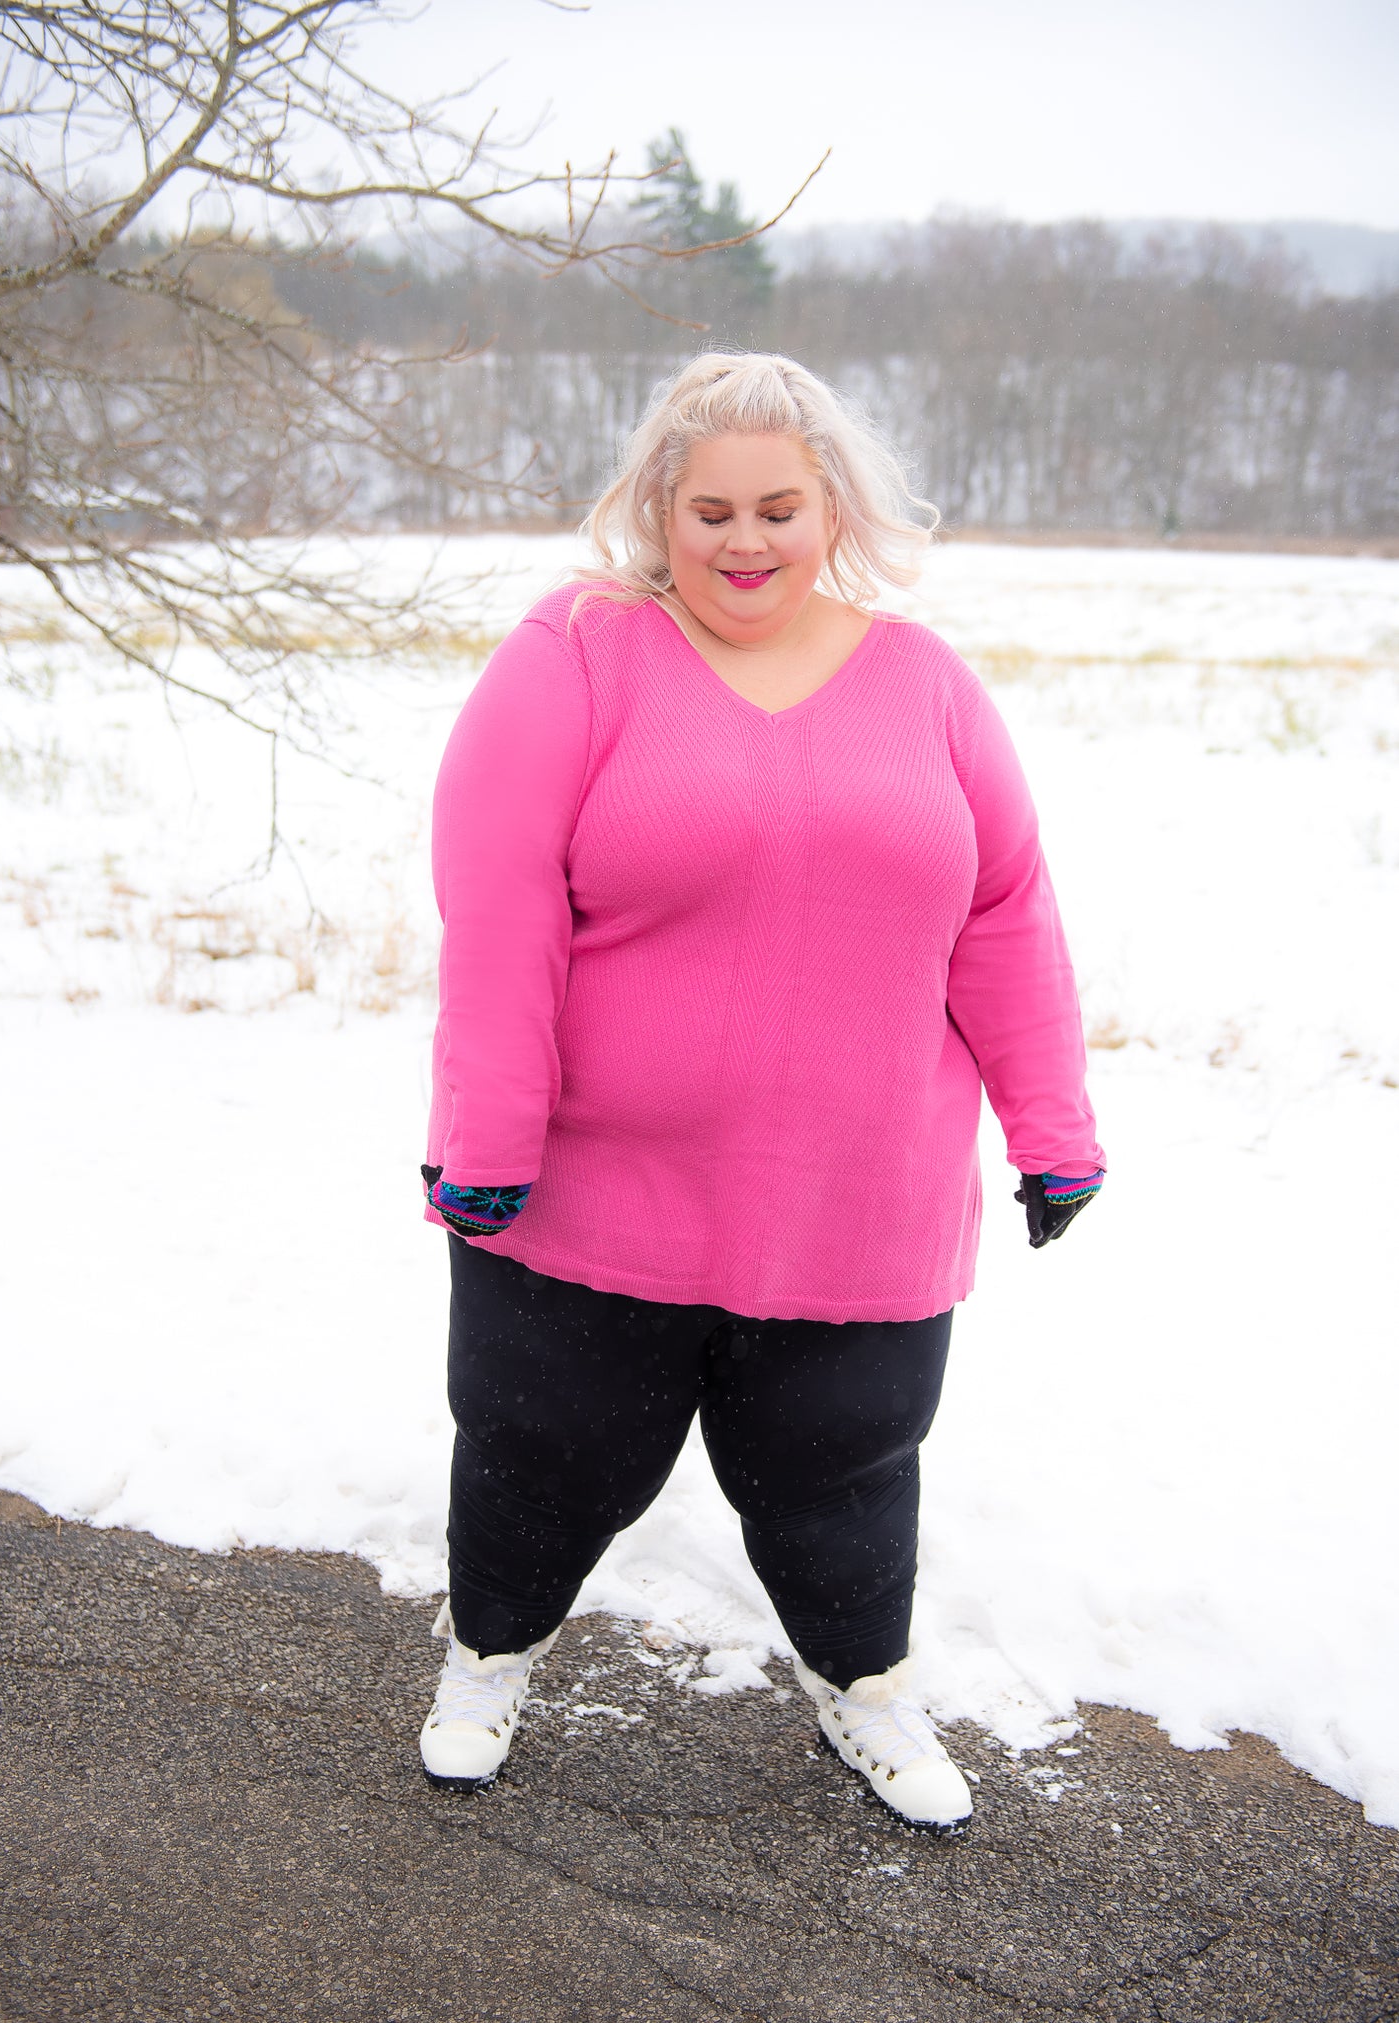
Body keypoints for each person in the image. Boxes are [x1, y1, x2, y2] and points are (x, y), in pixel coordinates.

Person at [416, 352, 1105, 1837]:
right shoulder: (578, 655)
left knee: (844, 1476)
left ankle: (865, 1690)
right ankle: (486, 1656)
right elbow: (501, 910)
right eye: (710, 508)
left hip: (857, 1202)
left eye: (778, 509)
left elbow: (1006, 914)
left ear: (830, 508)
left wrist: (1052, 1128)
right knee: (541, 1458)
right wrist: (483, 1140)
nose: (745, 542)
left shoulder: (922, 681)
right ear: (658, 507)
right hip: (596, 1198)